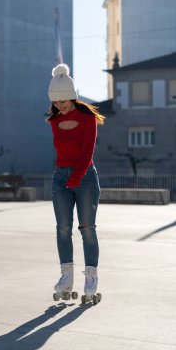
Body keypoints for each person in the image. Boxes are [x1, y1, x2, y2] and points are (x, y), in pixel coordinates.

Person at [46, 63, 105, 303]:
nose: (60, 105)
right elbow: (62, 153)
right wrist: (66, 177)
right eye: (56, 101)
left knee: (87, 230)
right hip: (60, 177)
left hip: (85, 177)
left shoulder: (87, 118)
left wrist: (76, 176)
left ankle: (90, 280)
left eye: (63, 101)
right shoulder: (53, 120)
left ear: (72, 96)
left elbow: (86, 152)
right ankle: (66, 278)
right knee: (62, 229)